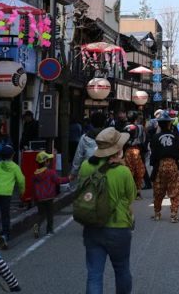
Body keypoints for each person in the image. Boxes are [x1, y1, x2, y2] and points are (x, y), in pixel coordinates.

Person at [78, 127, 136, 294]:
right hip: (118, 226)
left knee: (94, 274)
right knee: (122, 269)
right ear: (117, 149)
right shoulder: (123, 171)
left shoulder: (85, 167)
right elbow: (131, 196)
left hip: (92, 225)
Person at [149, 113, 179, 222]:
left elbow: (153, 154)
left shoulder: (155, 137)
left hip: (160, 165)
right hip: (172, 164)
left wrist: (153, 165)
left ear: (159, 124)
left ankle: (157, 213)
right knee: (174, 190)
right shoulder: (175, 136)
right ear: (169, 124)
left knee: (158, 190)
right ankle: (173, 215)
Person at [71, 111, 107, 181]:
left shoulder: (84, 137)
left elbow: (78, 156)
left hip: (87, 169)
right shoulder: (109, 136)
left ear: (92, 123)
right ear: (104, 123)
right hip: (105, 170)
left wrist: (73, 173)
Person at [31, 151, 59, 238]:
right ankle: (49, 230)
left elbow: (33, 187)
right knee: (50, 213)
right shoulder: (50, 172)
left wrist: (34, 198)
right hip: (49, 196)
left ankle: (37, 225)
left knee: (41, 213)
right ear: (46, 162)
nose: (49, 161)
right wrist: (68, 179)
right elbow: (58, 180)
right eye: (48, 160)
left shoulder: (35, 174)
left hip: (39, 197)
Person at [122, 123, 147, 200]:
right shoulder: (137, 143)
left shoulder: (125, 143)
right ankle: (136, 193)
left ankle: (132, 192)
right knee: (138, 173)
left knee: (131, 173)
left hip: (129, 157)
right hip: (136, 157)